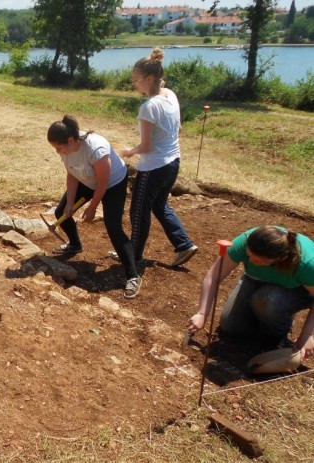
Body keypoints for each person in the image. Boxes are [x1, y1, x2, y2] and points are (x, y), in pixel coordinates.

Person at [47, 115, 142, 299]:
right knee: (61, 212)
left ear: (70, 140)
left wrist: (92, 207)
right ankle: (75, 245)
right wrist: (70, 203)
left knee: (113, 227)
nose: (58, 152)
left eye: (58, 147)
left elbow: (103, 183)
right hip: (87, 181)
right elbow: (72, 175)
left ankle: (133, 275)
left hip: (112, 183)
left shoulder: (96, 148)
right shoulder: (67, 150)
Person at [119, 48, 197, 267]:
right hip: (173, 162)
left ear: (150, 78)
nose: (134, 84)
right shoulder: (170, 95)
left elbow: (146, 146)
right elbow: (179, 128)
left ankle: (133, 254)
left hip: (153, 167)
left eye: (136, 80)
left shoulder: (148, 107)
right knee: (159, 205)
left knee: (138, 210)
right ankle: (184, 244)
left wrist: (129, 152)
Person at [187, 226, 314, 361]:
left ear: (280, 258)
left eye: (258, 260)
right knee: (231, 327)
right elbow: (213, 277)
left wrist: (308, 336)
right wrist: (202, 313)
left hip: (297, 289)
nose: (251, 261)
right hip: (256, 279)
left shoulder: (307, 264)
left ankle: (275, 334)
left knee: (269, 299)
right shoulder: (246, 241)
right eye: (249, 256)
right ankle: (264, 315)